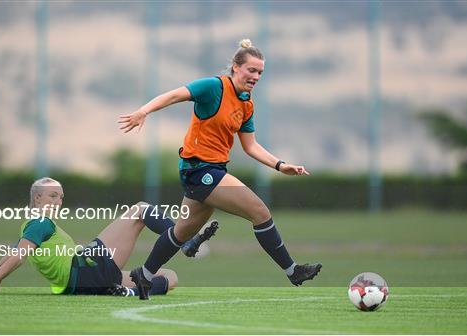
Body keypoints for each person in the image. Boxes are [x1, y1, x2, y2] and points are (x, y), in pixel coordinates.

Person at [119, 39, 322, 300]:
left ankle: (144, 276)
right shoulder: (213, 87)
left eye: (260, 72)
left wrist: (280, 165)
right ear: (236, 67)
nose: (256, 76)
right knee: (259, 211)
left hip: (212, 169)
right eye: (251, 70)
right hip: (199, 170)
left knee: (181, 232)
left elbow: (250, 146)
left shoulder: (246, 103)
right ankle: (293, 270)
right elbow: (172, 96)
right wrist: (142, 111)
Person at [0, 177, 218, 297]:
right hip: (86, 268)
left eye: (61, 196)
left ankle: (129, 292)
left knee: (171, 277)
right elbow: (18, 257)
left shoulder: (30, 227)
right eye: (53, 196)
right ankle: (186, 242)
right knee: (141, 209)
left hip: (82, 284)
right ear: (37, 199)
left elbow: (9, 258)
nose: (59, 201)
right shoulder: (40, 223)